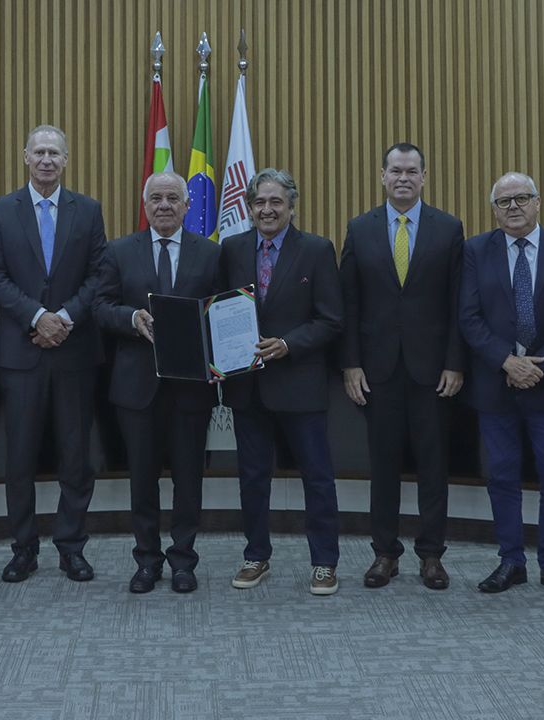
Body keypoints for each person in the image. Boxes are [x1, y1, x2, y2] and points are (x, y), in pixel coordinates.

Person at [0, 125, 108, 583]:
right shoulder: (0, 210)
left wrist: (64, 319)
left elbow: (99, 275)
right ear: (26, 157)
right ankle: (24, 549)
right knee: (19, 459)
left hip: (74, 352)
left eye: (55, 153)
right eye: (40, 152)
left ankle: (72, 548)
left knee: (76, 458)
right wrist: (38, 317)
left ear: (66, 160)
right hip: (22, 354)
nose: (47, 160)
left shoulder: (88, 210)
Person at [457, 172, 544, 598]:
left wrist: (540, 367)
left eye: (521, 198)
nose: (513, 206)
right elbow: (469, 316)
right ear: (494, 209)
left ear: (538, 202)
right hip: (496, 384)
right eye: (504, 201)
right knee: (501, 476)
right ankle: (511, 561)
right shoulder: (476, 250)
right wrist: (506, 362)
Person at [339, 142, 465, 590]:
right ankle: (384, 554)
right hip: (378, 370)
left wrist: (455, 362)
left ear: (424, 177)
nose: (404, 178)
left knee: (433, 466)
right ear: (382, 176)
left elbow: (458, 302)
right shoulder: (359, 228)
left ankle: (431, 555)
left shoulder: (449, 228)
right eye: (396, 170)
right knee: (383, 465)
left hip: (433, 371)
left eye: (412, 171)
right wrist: (350, 364)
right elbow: (349, 303)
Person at [93, 172, 222, 594]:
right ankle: (146, 561)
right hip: (137, 388)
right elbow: (101, 306)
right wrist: (131, 318)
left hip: (191, 387)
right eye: (156, 198)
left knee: (189, 479)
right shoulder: (118, 251)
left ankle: (183, 562)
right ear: (144, 204)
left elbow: (223, 311)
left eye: (172, 198)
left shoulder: (211, 253)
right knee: (142, 479)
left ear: (187, 206)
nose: (164, 205)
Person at [218, 168, 344, 595]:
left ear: (292, 206)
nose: (267, 210)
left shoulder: (317, 249)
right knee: (252, 478)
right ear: (249, 208)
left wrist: (289, 344)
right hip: (247, 386)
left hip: (300, 384)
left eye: (276, 202)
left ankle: (324, 562)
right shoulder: (232, 248)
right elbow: (218, 311)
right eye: (259, 202)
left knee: (317, 478)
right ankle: (256, 555)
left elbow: (331, 319)